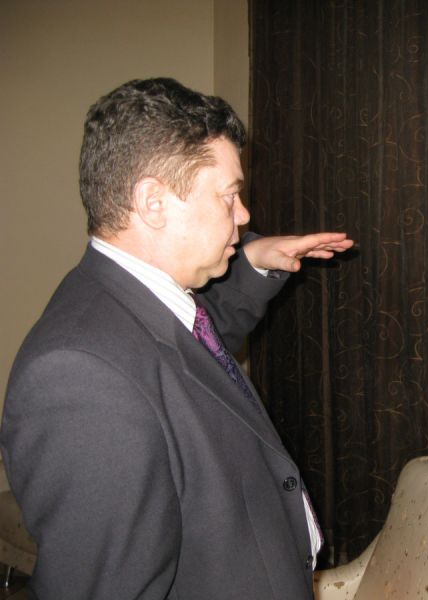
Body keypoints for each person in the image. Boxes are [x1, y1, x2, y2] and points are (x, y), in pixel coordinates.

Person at [0, 78, 353, 599]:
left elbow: (190, 356)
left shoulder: (132, 300)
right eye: (228, 196)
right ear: (154, 203)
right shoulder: (79, 378)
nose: (244, 214)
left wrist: (254, 259)